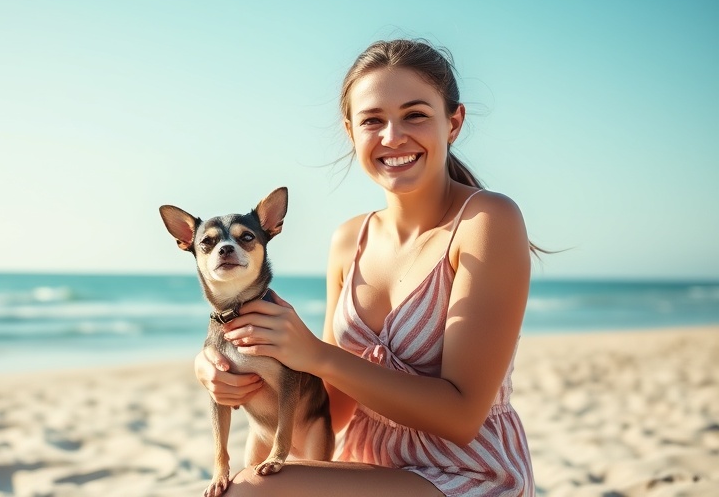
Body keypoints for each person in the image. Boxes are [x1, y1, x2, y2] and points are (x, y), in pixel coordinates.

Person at [194, 38, 536, 496]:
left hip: (467, 475)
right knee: (245, 479)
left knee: (251, 491)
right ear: (351, 131)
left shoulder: (487, 220)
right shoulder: (348, 240)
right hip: (365, 469)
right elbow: (330, 411)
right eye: (373, 120)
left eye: (415, 115)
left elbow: (462, 418)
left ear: (453, 122)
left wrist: (316, 353)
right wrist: (232, 376)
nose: (392, 137)